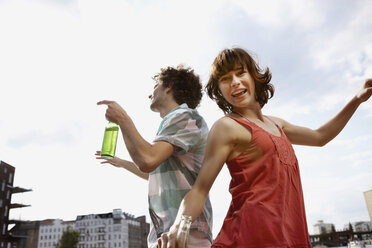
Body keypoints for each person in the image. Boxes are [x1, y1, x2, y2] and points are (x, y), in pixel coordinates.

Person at [158, 47, 372, 248]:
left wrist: (357, 99)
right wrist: (180, 225)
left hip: (291, 236)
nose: (234, 82)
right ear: (219, 90)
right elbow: (200, 189)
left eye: (240, 73)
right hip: (248, 237)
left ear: (253, 76)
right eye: (225, 79)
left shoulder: (278, 124)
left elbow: (320, 136)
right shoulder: (226, 127)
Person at [96, 65, 213, 248]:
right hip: (169, 235)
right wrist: (122, 163)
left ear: (169, 86)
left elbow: (147, 160)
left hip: (185, 234)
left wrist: (123, 118)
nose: (150, 94)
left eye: (155, 85)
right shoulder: (174, 126)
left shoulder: (185, 116)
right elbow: (154, 172)